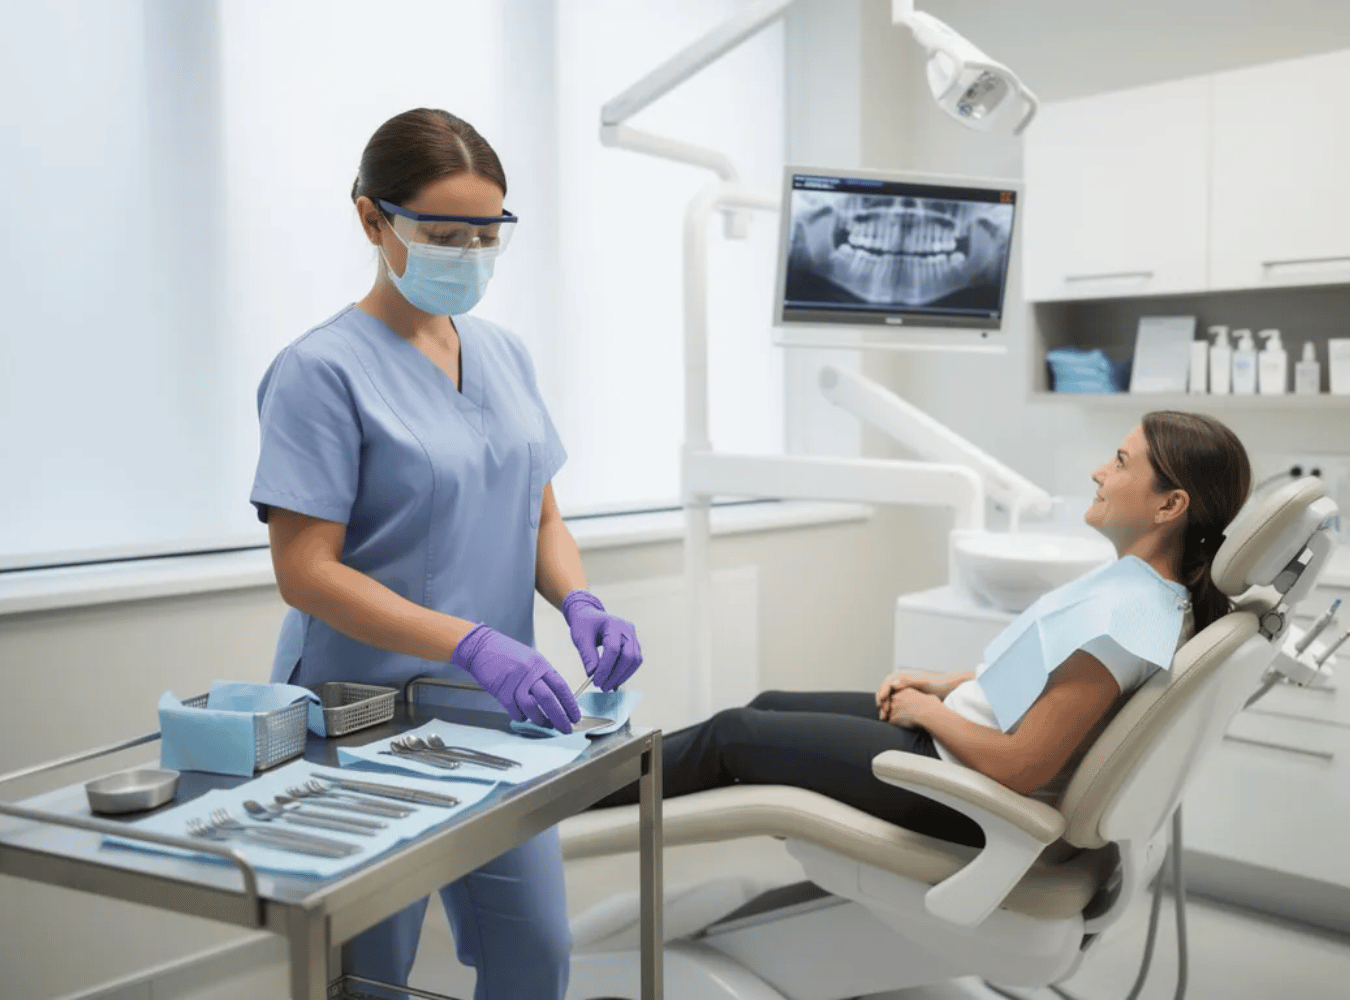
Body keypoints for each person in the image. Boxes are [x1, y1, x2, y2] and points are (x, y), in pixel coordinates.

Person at [252, 108, 643, 1000]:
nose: (467, 255)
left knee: (535, 951)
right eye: (442, 234)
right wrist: (468, 640)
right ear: (371, 219)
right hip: (362, 717)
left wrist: (580, 602)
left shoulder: (504, 355)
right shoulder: (320, 371)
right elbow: (305, 570)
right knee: (371, 974)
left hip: (501, 712)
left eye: (485, 235)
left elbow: (541, 517)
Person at [594, 412, 1251, 848]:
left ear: (1170, 504)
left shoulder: (1125, 621)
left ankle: (562, 805)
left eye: (1119, 461)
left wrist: (927, 712)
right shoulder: (1144, 595)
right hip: (955, 748)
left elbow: (1024, 767)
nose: (1098, 472)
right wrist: (948, 684)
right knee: (764, 708)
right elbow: (1052, 686)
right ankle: (599, 785)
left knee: (733, 736)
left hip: (957, 787)